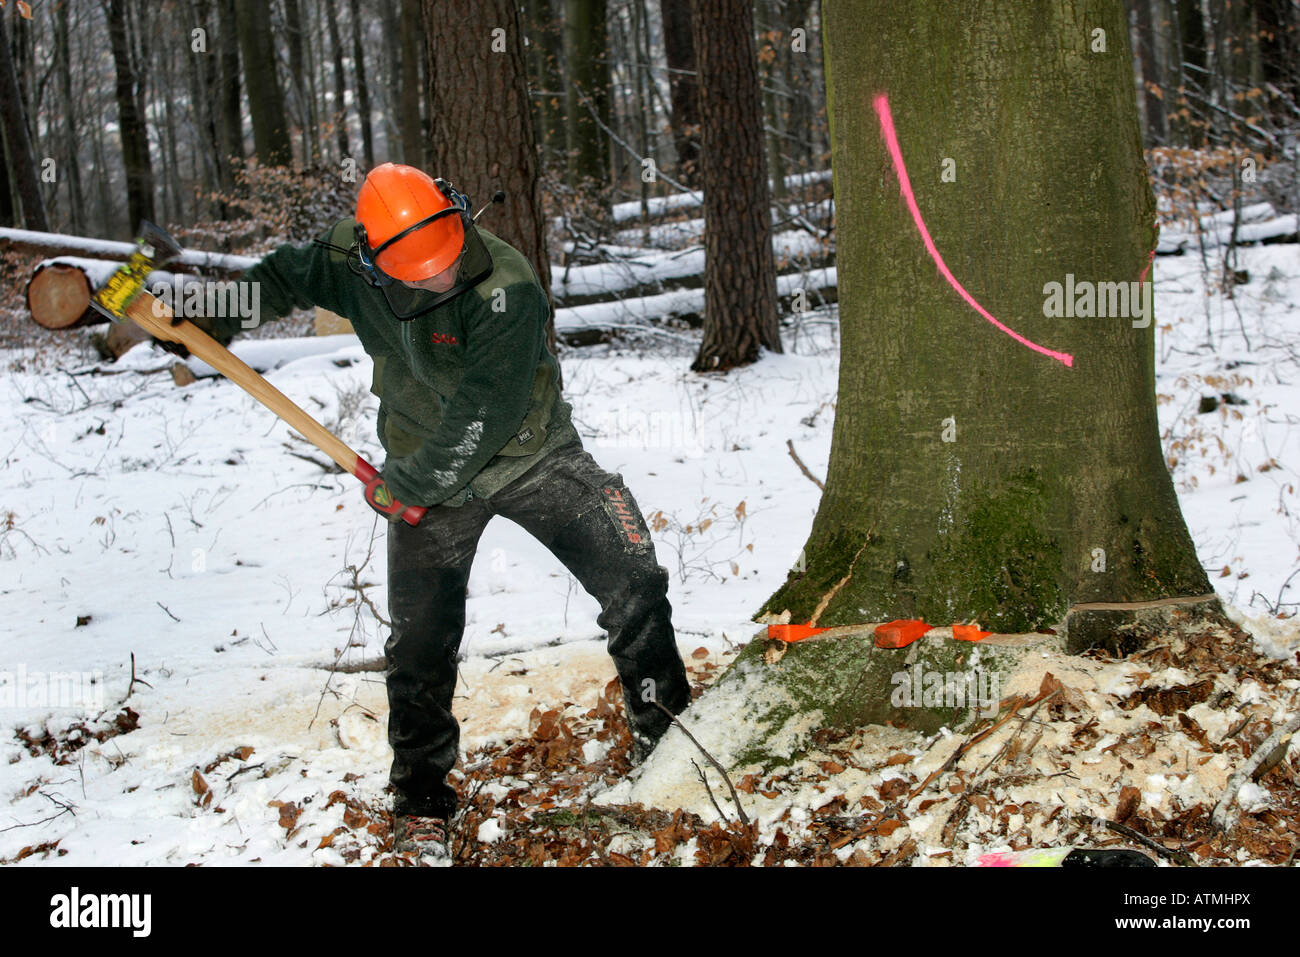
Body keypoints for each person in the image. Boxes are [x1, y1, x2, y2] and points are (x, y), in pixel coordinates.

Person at [186, 163, 691, 858]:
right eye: (418, 273)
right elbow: (277, 278)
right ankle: (422, 801)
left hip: (530, 454)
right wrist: (207, 314)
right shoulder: (348, 259)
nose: (439, 278)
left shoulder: (506, 286)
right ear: (373, 259)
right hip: (423, 465)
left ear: (456, 218)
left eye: (446, 260)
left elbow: (485, 412)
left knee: (634, 581)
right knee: (419, 647)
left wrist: (413, 484)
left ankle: (668, 746)